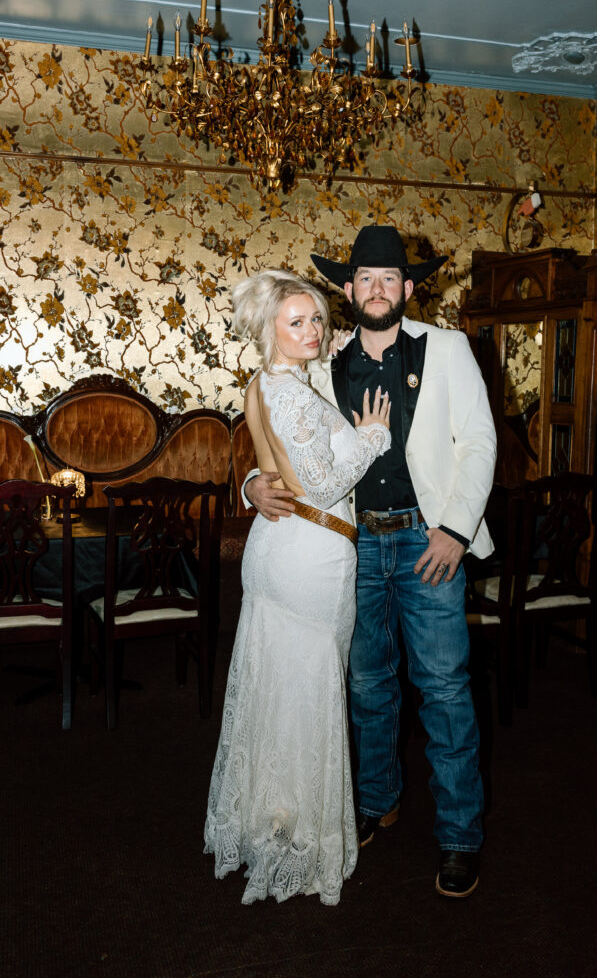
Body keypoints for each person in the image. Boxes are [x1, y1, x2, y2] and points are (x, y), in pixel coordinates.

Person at [245, 226, 497, 898]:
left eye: (390, 278)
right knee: (366, 685)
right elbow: (288, 432)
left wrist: (454, 528)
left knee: (443, 688)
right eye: (364, 278)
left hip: (428, 543)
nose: (377, 289)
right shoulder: (321, 360)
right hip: (350, 547)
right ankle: (377, 800)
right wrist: (252, 482)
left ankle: (459, 836)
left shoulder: (446, 349)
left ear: (408, 288)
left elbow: (477, 443)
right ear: (347, 288)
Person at [204, 269, 391, 907]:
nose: (311, 329)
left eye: (316, 318)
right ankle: (301, 836)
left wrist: (256, 483)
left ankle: (272, 818)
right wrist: (371, 438)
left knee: (278, 689)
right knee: (308, 688)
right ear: (269, 330)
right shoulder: (288, 392)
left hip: (279, 552)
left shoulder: (269, 381)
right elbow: (320, 482)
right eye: (297, 322)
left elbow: (271, 460)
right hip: (309, 554)